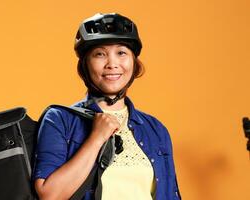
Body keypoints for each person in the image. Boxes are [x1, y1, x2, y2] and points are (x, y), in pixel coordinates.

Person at [33, 13, 181, 200]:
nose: (112, 64)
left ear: (134, 63)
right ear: (85, 65)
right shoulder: (59, 119)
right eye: (100, 54)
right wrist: (96, 138)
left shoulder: (155, 129)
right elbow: (49, 195)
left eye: (121, 53)